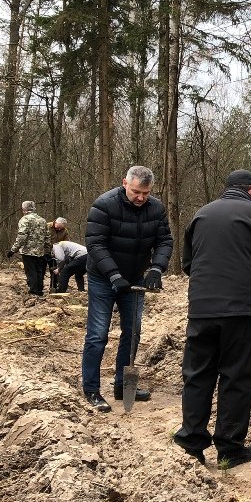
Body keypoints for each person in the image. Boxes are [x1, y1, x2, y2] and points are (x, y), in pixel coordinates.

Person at [173, 169, 251, 468]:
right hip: (241, 310)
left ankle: (191, 444)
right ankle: (229, 448)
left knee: (198, 374)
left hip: (201, 309)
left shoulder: (201, 215)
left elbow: (188, 263)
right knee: (237, 376)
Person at [81, 166, 173, 413]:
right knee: (98, 334)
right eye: (136, 192)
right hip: (103, 277)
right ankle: (91, 389)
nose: (141, 197)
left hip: (134, 279)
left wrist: (155, 269)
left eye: (146, 193)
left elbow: (164, 241)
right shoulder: (104, 205)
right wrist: (113, 274)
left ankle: (123, 386)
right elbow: (95, 243)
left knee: (132, 333)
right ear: (125, 183)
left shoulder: (156, 208)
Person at [7, 201, 51, 297]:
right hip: (40, 251)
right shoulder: (42, 220)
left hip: (28, 251)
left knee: (31, 271)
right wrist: (47, 250)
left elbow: (22, 237)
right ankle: (39, 291)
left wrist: (13, 249)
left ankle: (33, 292)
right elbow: (47, 237)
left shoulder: (25, 220)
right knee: (39, 271)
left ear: (24, 209)